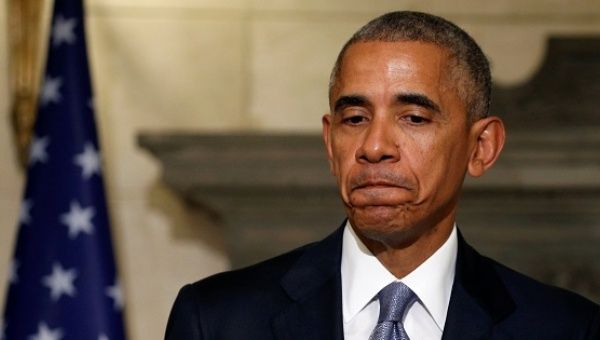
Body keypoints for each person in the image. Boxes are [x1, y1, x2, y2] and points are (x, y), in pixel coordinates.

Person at [165, 11, 600, 339]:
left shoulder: (567, 328)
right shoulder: (216, 319)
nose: (374, 147)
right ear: (329, 142)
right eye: (354, 118)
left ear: (481, 147)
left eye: (413, 118)